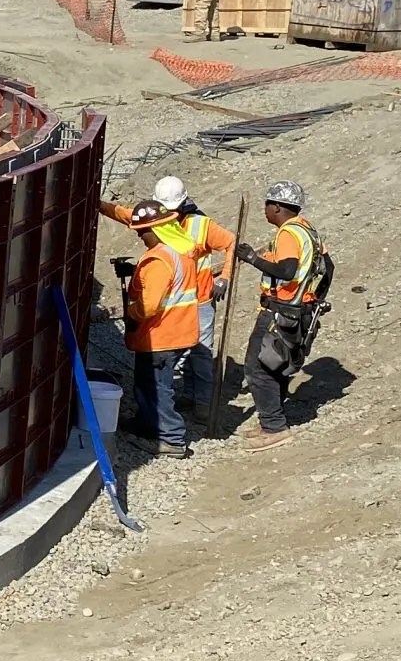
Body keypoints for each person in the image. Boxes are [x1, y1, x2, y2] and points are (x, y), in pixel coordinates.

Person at [98, 175, 233, 415]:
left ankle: (201, 402)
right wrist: (97, 204)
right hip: (172, 303)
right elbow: (126, 215)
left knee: (200, 353)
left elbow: (231, 242)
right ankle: (188, 398)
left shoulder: (201, 225)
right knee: (179, 352)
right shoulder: (156, 219)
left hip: (198, 299)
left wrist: (224, 277)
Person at [233, 179, 325, 446]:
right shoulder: (309, 231)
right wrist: (312, 298)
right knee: (278, 364)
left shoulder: (288, 234)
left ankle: (274, 428)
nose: (265, 210)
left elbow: (287, 271)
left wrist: (253, 259)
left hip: (280, 311)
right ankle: (274, 421)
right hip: (300, 310)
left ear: (276, 206)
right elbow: (327, 268)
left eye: (267, 205)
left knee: (257, 367)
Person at [112, 199, 202, 457]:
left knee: (158, 387)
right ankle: (147, 424)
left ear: (156, 229)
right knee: (147, 383)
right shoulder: (179, 252)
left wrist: (131, 312)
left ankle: (172, 439)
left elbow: (150, 306)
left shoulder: (158, 260)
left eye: (142, 230)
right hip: (179, 331)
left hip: (162, 336)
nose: (140, 235)